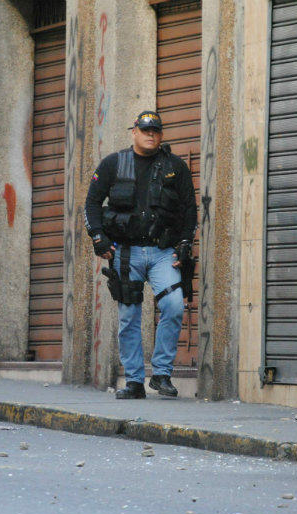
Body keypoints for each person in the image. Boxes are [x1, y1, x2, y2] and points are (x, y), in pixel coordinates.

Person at [84, 111, 197, 399]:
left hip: (163, 252)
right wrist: (98, 237)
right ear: (133, 131)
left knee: (173, 305)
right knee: (129, 317)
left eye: (156, 131)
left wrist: (185, 244)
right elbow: (92, 203)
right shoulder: (113, 163)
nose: (151, 135)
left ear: (161, 135)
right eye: (145, 130)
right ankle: (134, 381)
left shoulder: (175, 166)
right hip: (126, 252)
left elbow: (189, 209)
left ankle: (161, 374)